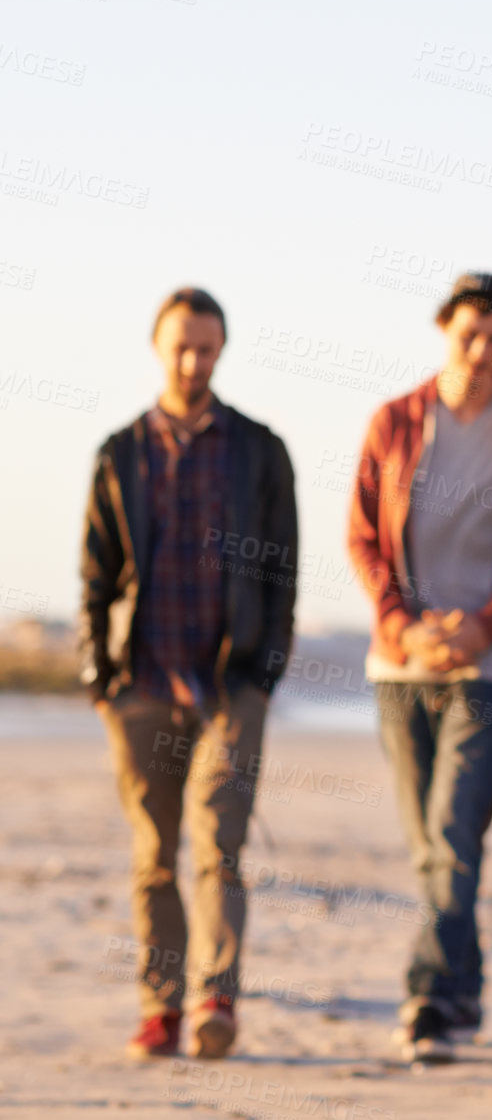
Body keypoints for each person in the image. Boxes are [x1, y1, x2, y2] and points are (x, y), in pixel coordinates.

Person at [79, 287, 298, 1061]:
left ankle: (216, 1000)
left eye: (205, 347)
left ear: (221, 350)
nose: (192, 360)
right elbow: (97, 577)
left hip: (230, 687)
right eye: (180, 346)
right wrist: (99, 678)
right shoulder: (121, 452)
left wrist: (265, 673)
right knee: (153, 857)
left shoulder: (259, 450)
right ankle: (159, 1007)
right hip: (140, 687)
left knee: (220, 848)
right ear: (158, 346)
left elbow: (282, 576)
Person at [348, 272, 492, 1063]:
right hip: (400, 664)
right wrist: (404, 628)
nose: (482, 349)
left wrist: (487, 627)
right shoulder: (396, 421)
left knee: (452, 833)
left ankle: (430, 998)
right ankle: (466, 984)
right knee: (428, 844)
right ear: (445, 326)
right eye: (471, 332)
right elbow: (364, 539)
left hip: (489, 665)